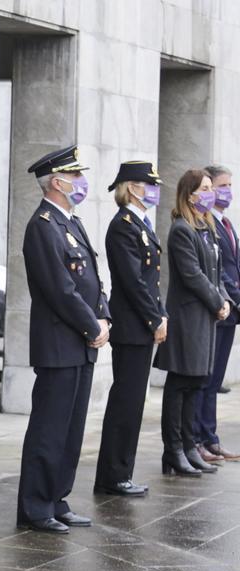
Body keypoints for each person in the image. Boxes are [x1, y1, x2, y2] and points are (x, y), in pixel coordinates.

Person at [18, 145, 108, 534]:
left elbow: (92, 279)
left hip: (82, 344)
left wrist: (103, 315)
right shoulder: (42, 226)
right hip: (60, 343)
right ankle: (36, 506)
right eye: (75, 177)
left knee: (71, 430)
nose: (81, 183)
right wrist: (92, 326)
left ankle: (58, 497)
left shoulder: (71, 222)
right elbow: (60, 289)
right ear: (56, 182)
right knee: (49, 429)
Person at [94, 161, 166, 496]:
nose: (153, 190)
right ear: (132, 187)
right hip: (133, 326)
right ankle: (113, 476)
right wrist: (154, 319)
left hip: (143, 324)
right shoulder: (123, 225)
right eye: (147, 184)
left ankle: (122, 471)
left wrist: (159, 314)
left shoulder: (141, 224)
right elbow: (133, 282)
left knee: (133, 402)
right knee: (126, 402)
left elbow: (152, 281)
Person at [154, 169, 230, 477]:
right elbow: (192, 275)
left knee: (197, 382)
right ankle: (173, 449)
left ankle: (189, 446)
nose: (211, 193)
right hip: (188, 317)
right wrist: (217, 301)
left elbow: (216, 272)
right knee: (181, 382)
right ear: (190, 195)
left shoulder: (206, 228)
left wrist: (224, 301)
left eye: (212, 188)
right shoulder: (182, 229)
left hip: (206, 317)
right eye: (205, 188)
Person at [192, 165, 240, 461]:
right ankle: (196, 437)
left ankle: (209, 437)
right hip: (217, 311)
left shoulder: (226, 224)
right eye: (221, 185)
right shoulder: (205, 225)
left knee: (215, 381)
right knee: (203, 381)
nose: (227, 191)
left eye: (228, 186)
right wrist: (233, 299)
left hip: (230, 313)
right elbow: (218, 274)